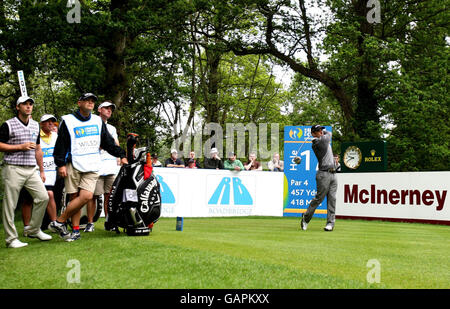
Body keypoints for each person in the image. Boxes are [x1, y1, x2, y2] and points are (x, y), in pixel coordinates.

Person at [50, 93, 128, 242]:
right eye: (87, 100)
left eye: (93, 101)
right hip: (73, 163)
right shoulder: (68, 120)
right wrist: (60, 164)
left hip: (92, 164)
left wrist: (121, 154)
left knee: (86, 196)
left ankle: (59, 222)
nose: (90, 103)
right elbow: (61, 144)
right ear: (79, 103)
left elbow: (108, 143)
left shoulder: (98, 121)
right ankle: (75, 230)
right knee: (74, 198)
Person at [0, 96, 52, 248]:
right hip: (13, 168)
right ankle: (11, 239)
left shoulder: (36, 125)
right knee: (10, 204)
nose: (28, 107)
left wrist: (41, 170)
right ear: (18, 107)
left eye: (30, 104)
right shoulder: (8, 125)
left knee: (43, 197)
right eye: (25, 104)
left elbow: (38, 149)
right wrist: (19, 147)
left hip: (31, 169)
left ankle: (34, 229)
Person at [85, 101, 121, 233]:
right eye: (106, 108)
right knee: (92, 196)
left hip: (110, 166)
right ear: (99, 110)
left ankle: (108, 221)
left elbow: (116, 144)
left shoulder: (111, 128)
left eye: (111, 109)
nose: (109, 110)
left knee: (109, 196)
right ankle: (90, 223)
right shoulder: (92, 125)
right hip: (96, 166)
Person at [300, 125, 337, 232]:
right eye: (318, 130)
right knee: (319, 198)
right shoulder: (318, 142)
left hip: (334, 174)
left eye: (321, 130)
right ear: (313, 134)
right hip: (323, 174)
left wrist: (321, 129)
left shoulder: (321, 139)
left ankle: (330, 223)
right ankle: (306, 218)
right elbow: (329, 134)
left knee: (332, 199)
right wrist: (325, 131)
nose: (321, 131)